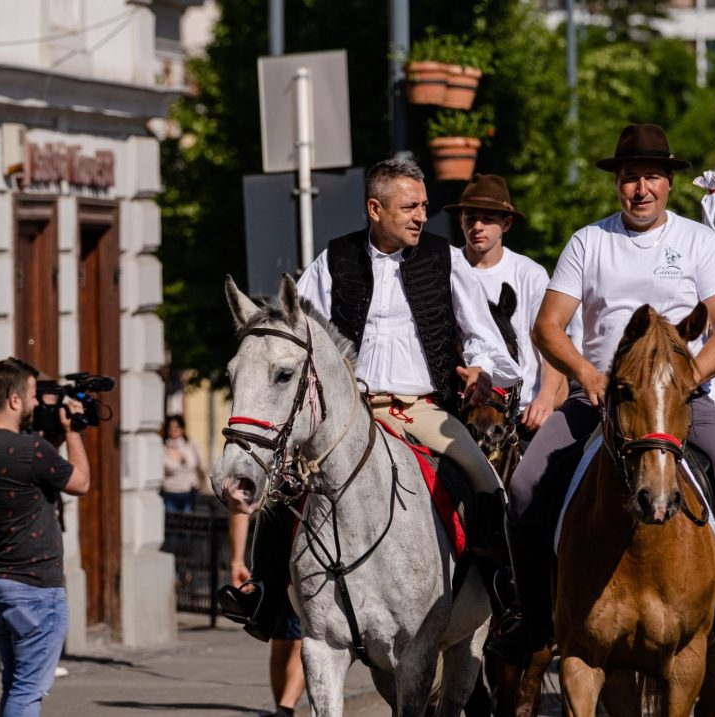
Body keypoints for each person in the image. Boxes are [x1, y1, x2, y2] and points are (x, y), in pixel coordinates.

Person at [487, 123, 715, 672]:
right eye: (631, 178)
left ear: (669, 183)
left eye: (652, 178)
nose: (641, 189)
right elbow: (548, 326)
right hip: (600, 400)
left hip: (683, 399)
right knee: (521, 490)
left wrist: (686, 381)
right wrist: (587, 374)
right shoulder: (589, 241)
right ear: (617, 183)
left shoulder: (698, 242)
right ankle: (535, 618)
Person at [217, 158, 521, 639]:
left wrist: (480, 366)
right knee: (286, 489)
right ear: (375, 208)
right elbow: (298, 331)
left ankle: (505, 594)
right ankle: (267, 595)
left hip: (420, 409)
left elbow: (482, 334)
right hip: (349, 413)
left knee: (487, 484)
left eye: (423, 205)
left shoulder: (446, 259)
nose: (423, 215)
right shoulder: (334, 259)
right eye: (410, 207)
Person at [0, 358, 90, 716]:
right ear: (15, 400)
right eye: (34, 396)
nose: (37, 404)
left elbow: (26, 469)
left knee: (15, 684)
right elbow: (80, 482)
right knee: (27, 692)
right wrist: (73, 433)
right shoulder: (32, 451)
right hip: (35, 588)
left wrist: (51, 439)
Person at [446, 173, 568, 431]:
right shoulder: (447, 269)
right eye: (470, 217)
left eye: (487, 218)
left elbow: (548, 339)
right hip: (459, 411)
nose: (477, 226)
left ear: (507, 223)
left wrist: (545, 399)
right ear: (461, 220)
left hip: (522, 411)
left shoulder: (529, 274)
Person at [229, 513, 305, 717]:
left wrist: (237, 561)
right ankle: (284, 710)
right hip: (282, 559)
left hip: (300, 560)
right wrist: (237, 562)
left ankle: (285, 707)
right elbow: (240, 504)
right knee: (282, 641)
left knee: (303, 642)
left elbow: (239, 506)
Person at [161, 415, 205, 513]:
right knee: (172, 526)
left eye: (177, 426)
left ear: (182, 428)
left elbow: (201, 467)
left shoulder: (192, 445)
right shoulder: (162, 448)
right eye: (170, 427)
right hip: (170, 493)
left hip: (190, 492)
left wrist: (205, 487)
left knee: (189, 525)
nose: (174, 429)